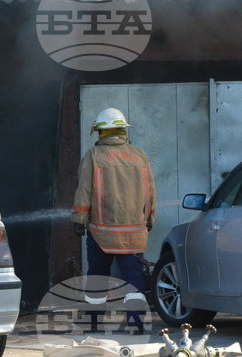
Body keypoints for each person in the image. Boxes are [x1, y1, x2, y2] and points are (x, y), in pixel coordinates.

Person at [72, 107, 156, 333]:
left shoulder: (94, 155)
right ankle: (137, 324)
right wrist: (150, 218)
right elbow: (150, 191)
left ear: (101, 132)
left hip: (102, 233)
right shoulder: (140, 156)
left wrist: (79, 218)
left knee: (98, 279)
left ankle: (93, 324)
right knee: (133, 279)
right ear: (122, 131)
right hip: (133, 233)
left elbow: (84, 190)